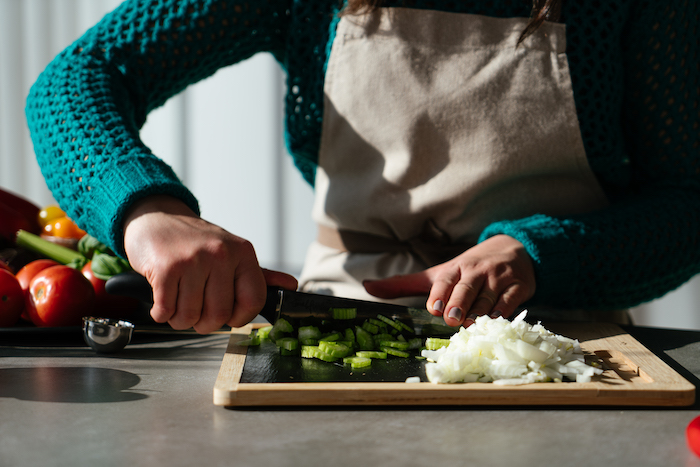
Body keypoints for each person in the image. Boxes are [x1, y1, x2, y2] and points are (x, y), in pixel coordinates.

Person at [25, 0, 700, 334]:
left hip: (563, 341)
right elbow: (76, 80)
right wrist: (149, 212)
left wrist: (541, 251)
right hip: (337, 320)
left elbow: (687, 204)